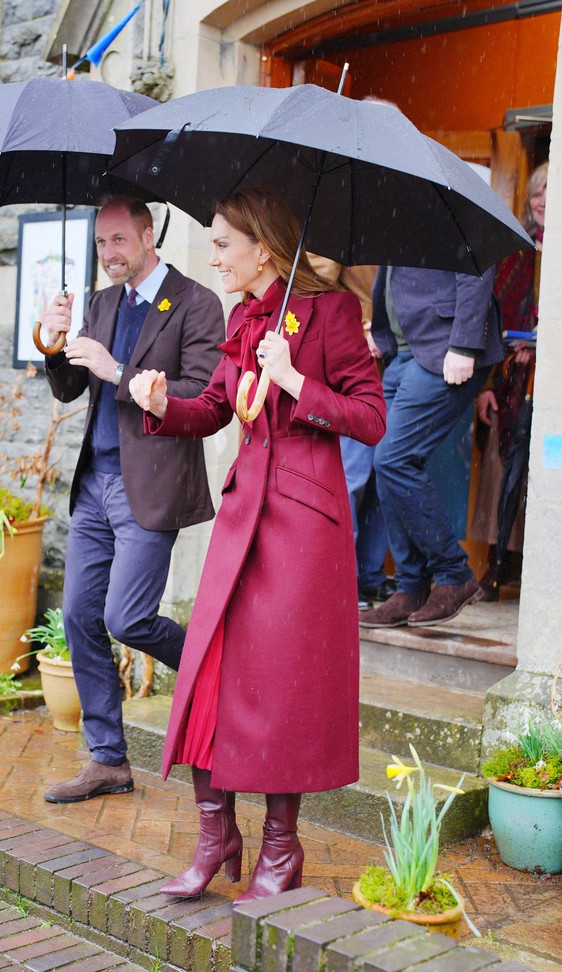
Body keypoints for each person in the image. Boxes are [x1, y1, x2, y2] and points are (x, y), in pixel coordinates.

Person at [129, 187, 386, 903]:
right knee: (208, 674)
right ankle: (217, 836)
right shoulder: (244, 318)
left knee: (282, 692)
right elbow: (215, 408)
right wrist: (161, 406)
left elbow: (371, 419)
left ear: (262, 250)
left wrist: (296, 377)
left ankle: (281, 849)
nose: (212, 257)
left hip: (304, 532)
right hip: (242, 523)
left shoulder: (332, 314)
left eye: (221, 245)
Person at [40, 195, 225, 803]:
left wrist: (118, 369)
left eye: (118, 241)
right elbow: (72, 386)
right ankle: (108, 760)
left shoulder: (195, 304)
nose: (108, 254)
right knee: (79, 616)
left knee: (128, 618)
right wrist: (52, 342)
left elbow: (202, 399)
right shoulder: (99, 302)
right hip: (95, 485)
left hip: (151, 486)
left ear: (149, 236)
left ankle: (214, 671)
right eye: (100, 244)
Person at [360, 261, 502, 629]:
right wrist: (383, 330)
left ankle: (454, 575)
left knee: (395, 459)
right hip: (402, 353)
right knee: (386, 462)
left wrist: (465, 343)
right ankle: (411, 587)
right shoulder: (400, 208)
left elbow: (477, 267)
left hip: (443, 349)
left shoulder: (448, 204)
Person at [470, 162, 547, 599]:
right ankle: (499, 565)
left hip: (546, 383)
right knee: (503, 473)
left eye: (551, 192)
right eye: (537, 192)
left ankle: (532, 573)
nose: (542, 201)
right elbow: (489, 313)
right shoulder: (514, 250)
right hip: (507, 379)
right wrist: (483, 386)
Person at [308, 256, 395, 611]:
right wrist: (360, 330)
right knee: (352, 480)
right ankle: (343, 578)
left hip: (392, 362)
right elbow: (313, 287)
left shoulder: (396, 228)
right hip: (354, 367)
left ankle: (369, 575)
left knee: (380, 477)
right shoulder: (341, 223)